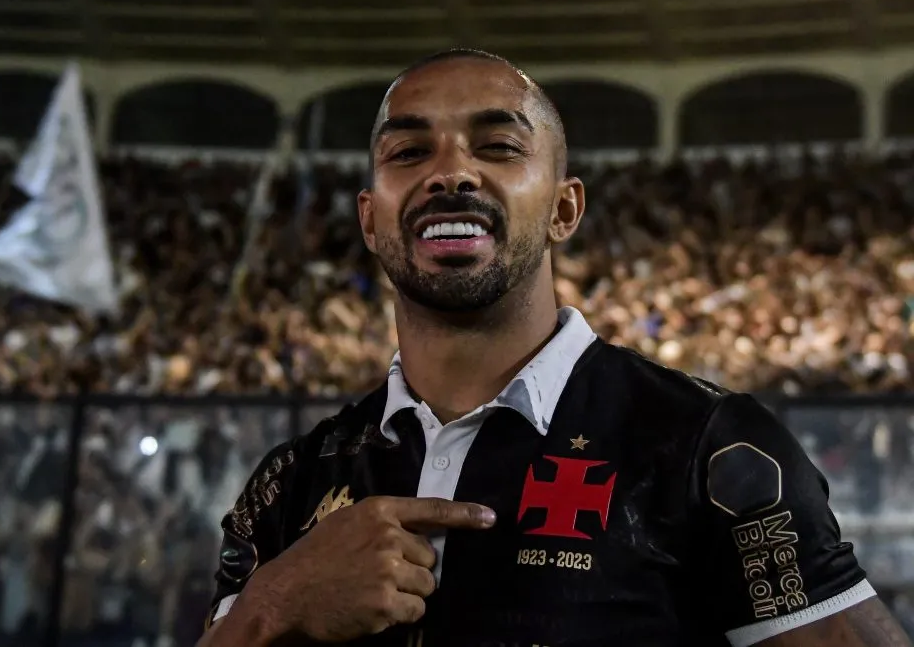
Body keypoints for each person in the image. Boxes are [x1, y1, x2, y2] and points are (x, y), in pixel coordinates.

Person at [197, 49, 913, 647]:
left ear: (565, 209)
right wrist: (272, 607)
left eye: (499, 146)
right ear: (371, 219)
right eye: (409, 151)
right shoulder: (289, 484)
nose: (450, 172)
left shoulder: (710, 449)